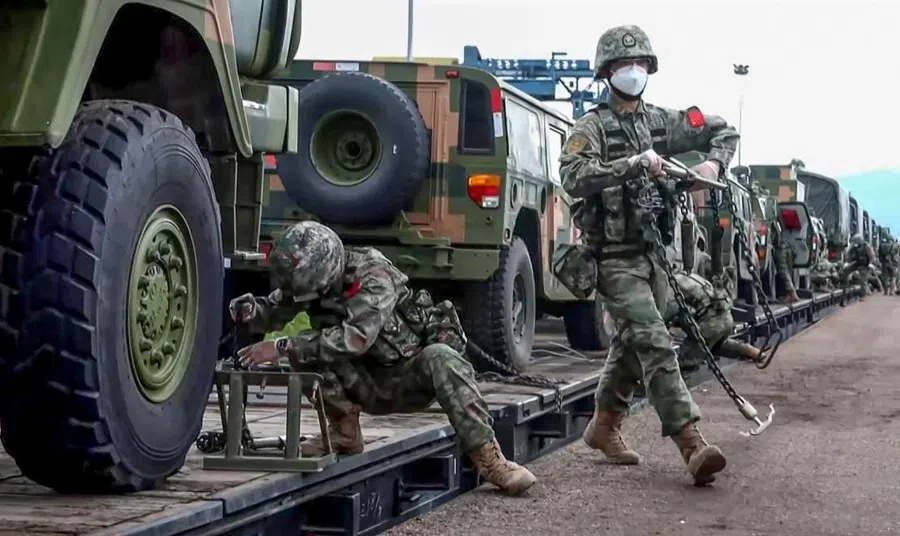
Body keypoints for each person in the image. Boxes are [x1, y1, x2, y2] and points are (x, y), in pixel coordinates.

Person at [229, 221, 536, 496]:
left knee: (442, 357)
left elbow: (357, 338)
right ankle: (344, 434)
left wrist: (282, 345)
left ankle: (491, 461)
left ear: (329, 276)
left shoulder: (373, 274)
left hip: (404, 377)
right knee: (306, 348)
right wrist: (253, 312)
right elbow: (278, 307)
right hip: (362, 381)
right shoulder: (313, 277)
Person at [558, 24, 739, 486]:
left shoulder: (659, 122)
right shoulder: (591, 127)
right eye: (622, 66)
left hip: (658, 260)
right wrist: (630, 164)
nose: (632, 72)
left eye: (639, 64)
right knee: (654, 342)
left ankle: (603, 425)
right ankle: (692, 444)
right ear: (606, 72)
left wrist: (712, 164)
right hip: (615, 261)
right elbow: (574, 177)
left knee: (708, 314)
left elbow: (722, 128)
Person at [663, 271, 766, 377]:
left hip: (710, 324)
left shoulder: (668, 285)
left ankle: (677, 392)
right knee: (715, 346)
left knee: (684, 365)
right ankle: (749, 350)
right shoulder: (687, 276)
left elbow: (666, 314)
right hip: (726, 319)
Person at [842, 234, 875, 299]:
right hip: (856, 263)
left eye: (856, 241)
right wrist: (847, 261)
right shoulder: (854, 246)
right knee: (845, 271)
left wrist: (870, 264)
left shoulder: (866, 246)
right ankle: (846, 285)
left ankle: (863, 295)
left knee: (863, 280)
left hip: (864, 265)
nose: (855, 243)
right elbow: (848, 254)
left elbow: (872, 256)